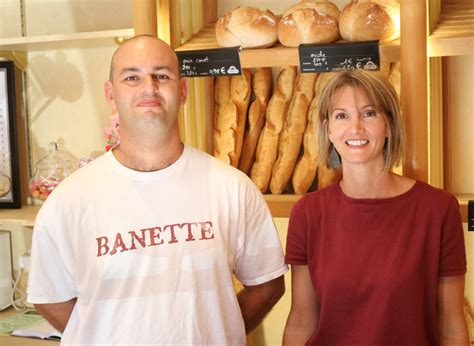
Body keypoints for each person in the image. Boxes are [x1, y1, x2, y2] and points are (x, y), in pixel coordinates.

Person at [27, 35, 288, 345]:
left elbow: (268, 285)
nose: (148, 87)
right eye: (132, 77)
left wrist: (216, 331)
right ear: (111, 94)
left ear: (182, 91)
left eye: (162, 75)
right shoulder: (68, 202)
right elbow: (49, 297)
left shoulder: (232, 188)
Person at [283, 70, 468, 345]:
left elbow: (451, 327)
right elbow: (301, 322)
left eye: (369, 113)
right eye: (341, 116)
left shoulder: (438, 210)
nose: (355, 128)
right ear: (328, 130)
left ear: (390, 125)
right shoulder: (308, 213)